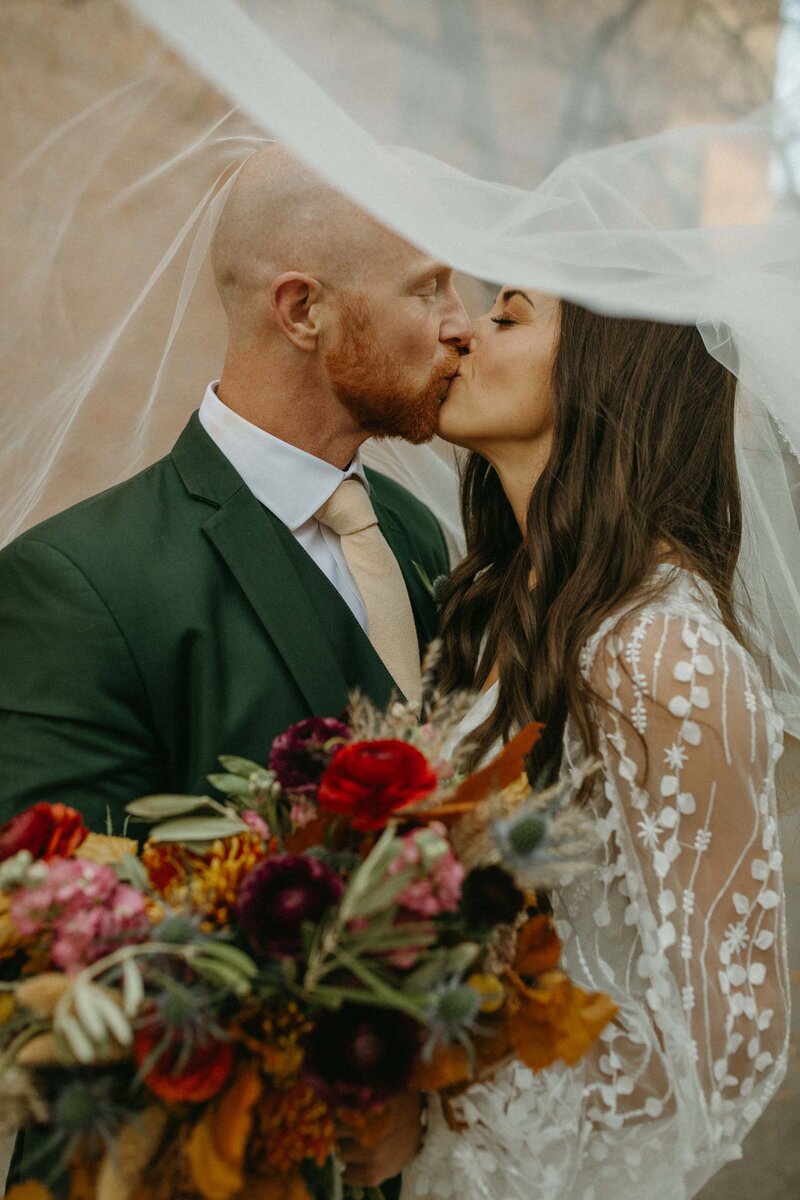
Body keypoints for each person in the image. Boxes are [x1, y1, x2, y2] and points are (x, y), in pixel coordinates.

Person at [386, 287, 786, 1199]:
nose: (463, 330)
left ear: (607, 377)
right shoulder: (499, 611)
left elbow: (734, 1037)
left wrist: (464, 1106)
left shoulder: (663, 652)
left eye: (509, 317)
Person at [0, 145, 471, 831]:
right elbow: (58, 917)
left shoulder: (410, 528)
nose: (461, 324)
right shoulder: (77, 589)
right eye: (428, 288)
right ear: (303, 309)